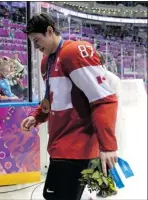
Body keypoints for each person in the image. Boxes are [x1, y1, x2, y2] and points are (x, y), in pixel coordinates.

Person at [21, 13, 118, 200]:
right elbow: (53, 98)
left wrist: (107, 146)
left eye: (36, 40)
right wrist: (37, 116)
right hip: (60, 144)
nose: (35, 46)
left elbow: (104, 99)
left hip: (76, 147)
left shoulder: (74, 52)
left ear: (49, 31)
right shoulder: (46, 62)